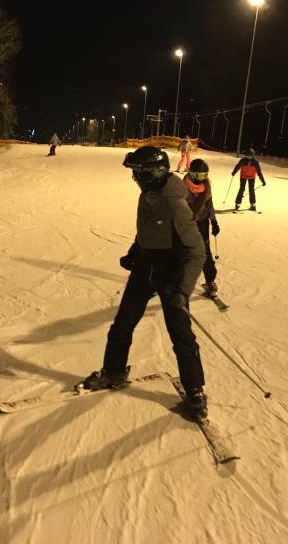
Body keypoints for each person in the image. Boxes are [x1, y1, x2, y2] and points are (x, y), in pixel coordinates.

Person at [77, 146, 209, 419]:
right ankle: (114, 372)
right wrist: (134, 252)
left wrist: (182, 289)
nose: (135, 178)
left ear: (153, 173)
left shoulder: (175, 204)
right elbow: (146, 230)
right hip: (145, 267)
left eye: (139, 173)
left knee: (181, 334)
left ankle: (195, 390)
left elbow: (198, 252)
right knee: (123, 323)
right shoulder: (147, 194)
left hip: (171, 274)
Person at [183, 158, 220, 298]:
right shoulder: (183, 186)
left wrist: (214, 222)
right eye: (198, 175)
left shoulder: (206, 186)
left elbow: (209, 205)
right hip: (186, 223)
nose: (201, 179)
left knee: (204, 252)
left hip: (202, 222)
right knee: (180, 251)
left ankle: (210, 280)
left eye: (204, 175)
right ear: (191, 173)